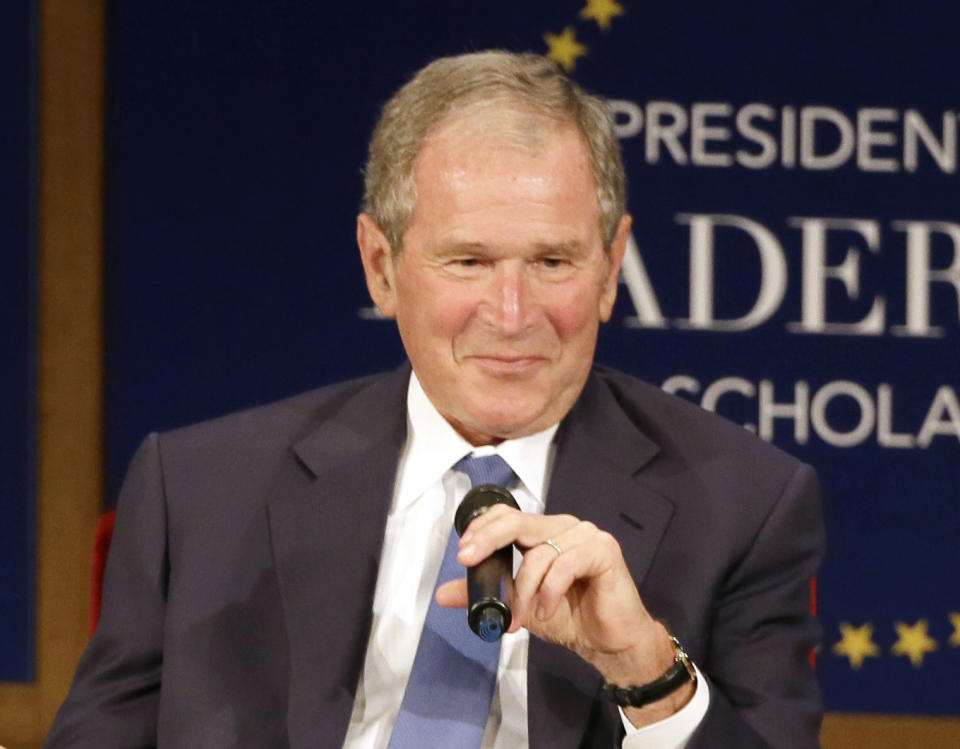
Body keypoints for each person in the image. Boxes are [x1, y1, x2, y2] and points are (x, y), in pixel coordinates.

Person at [46, 51, 824, 748]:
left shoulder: (743, 505)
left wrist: (647, 671)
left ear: (612, 265)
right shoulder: (199, 491)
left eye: (554, 260)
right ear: (380, 266)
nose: (513, 313)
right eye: (469, 261)